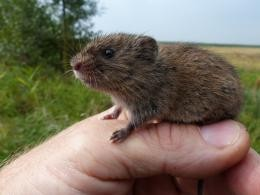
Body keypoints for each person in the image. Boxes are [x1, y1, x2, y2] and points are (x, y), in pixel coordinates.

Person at [0, 107, 259, 195]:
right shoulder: (128, 86)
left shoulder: (150, 82)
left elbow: (149, 108)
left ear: (143, 59)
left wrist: (129, 129)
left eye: (109, 55)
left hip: (205, 111)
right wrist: (116, 111)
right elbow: (126, 103)